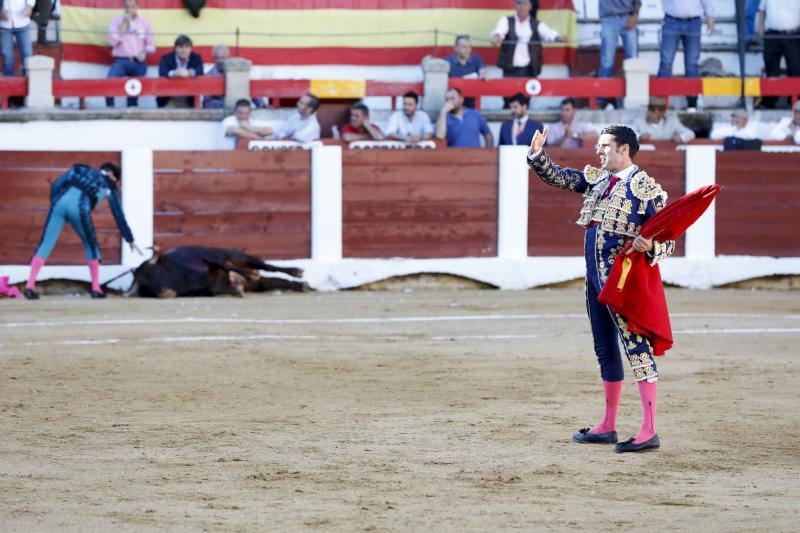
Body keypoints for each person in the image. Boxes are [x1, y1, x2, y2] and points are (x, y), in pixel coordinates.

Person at [527, 124, 674, 453]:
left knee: (637, 350)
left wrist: (650, 245)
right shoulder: (599, 179)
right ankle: (608, 425)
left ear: (624, 149)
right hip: (595, 281)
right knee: (605, 349)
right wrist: (537, 155)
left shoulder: (645, 189)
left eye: (605, 145)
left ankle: (649, 429)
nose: (599, 150)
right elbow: (562, 177)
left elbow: (669, 242)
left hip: (623, 285)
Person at [24, 163, 142, 300]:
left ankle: (30, 286)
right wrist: (129, 239)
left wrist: (55, 203)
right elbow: (118, 213)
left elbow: (56, 185)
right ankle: (96, 289)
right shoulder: (109, 185)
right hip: (80, 209)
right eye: (116, 179)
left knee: (45, 244)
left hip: (59, 204)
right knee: (91, 245)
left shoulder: (79, 169)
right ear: (111, 174)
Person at [657, 0, 715, 109]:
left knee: (692, 64)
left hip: (693, 22)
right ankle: (660, 102)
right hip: (671, 20)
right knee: (666, 62)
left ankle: (692, 103)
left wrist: (710, 17)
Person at [490, 0, 566, 79]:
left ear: (530, 7)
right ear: (515, 5)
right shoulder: (506, 20)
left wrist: (557, 37)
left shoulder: (537, 24)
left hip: (530, 69)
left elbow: (548, 33)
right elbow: (499, 31)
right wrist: (497, 37)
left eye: (525, 3)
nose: (522, 6)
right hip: (510, 69)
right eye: (519, 3)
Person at [106, 0, 155, 107]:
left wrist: (143, 53)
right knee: (109, 82)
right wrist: (125, 22)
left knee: (134, 88)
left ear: (138, 6)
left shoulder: (145, 23)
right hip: (120, 61)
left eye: (132, 6)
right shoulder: (115, 22)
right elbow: (113, 42)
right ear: (123, 6)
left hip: (138, 61)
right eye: (127, 6)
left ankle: (132, 108)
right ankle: (109, 108)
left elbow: (151, 46)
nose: (130, 9)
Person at [757, 0, 800, 109]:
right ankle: (771, 100)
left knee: (795, 67)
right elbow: (762, 11)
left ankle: (794, 101)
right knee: (771, 67)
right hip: (772, 34)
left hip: (792, 34)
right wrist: (760, 28)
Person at [599, 0, 640, 108]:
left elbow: (638, 2)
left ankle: (635, 98)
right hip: (609, 17)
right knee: (607, 62)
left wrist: (635, 16)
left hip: (628, 17)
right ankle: (602, 101)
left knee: (633, 62)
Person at [157, 34, 204, 108]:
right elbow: (162, 72)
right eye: (181, 47)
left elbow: (200, 71)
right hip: (170, 98)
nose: (184, 50)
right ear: (175, 48)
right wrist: (174, 73)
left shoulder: (196, 57)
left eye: (187, 47)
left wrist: (190, 72)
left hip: (189, 98)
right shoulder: (166, 57)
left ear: (191, 48)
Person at [443, 34, 486, 108]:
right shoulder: (447, 61)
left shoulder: (476, 59)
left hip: (471, 103)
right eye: (464, 47)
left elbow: (483, 71)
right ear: (456, 49)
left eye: (469, 47)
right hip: (453, 103)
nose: (468, 50)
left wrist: (483, 74)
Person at [0, 0, 34, 76]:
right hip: (4, 24)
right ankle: (8, 81)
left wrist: (29, 6)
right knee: (7, 55)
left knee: (27, 53)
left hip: (23, 21)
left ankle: (28, 79)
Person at [203, 44, 230, 109]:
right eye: (218, 58)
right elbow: (207, 101)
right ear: (214, 59)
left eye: (223, 58)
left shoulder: (235, 74)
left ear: (228, 58)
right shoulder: (208, 76)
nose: (221, 61)